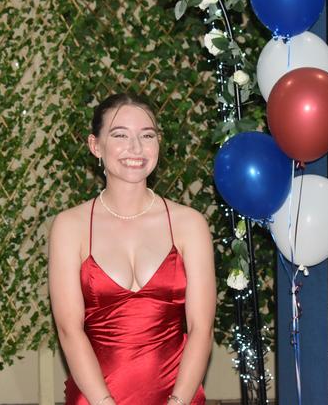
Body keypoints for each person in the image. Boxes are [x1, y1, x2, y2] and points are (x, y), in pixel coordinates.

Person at [48, 93, 216, 405]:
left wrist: (178, 402)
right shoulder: (69, 226)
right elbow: (69, 331)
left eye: (147, 135)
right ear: (95, 146)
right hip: (95, 399)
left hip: (179, 395)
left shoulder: (189, 224)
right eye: (120, 135)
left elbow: (201, 329)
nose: (136, 148)